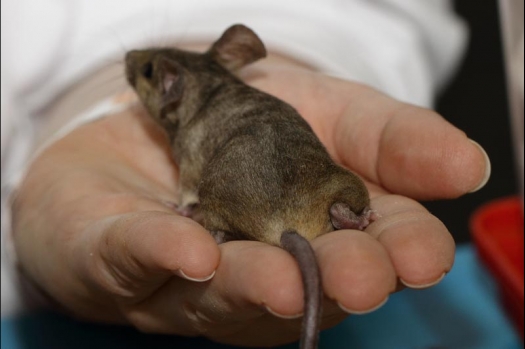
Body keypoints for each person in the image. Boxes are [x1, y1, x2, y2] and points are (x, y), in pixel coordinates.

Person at [1, 0, 491, 347]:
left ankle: (222, 220)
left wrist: (189, 200)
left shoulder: (185, 128)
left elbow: (193, 170)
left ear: (171, 93)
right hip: (312, 201)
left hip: (240, 202)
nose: (133, 67)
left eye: (147, 75)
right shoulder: (246, 99)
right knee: (317, 184)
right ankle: (345, 213)